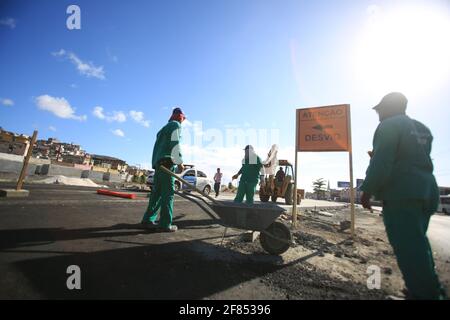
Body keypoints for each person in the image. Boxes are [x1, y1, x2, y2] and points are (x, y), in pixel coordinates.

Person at [360, 92, 445, 300]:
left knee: (410, 249)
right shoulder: (423, 129)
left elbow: (382, 161)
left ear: (390, 108)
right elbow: (414, 157)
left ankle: (425, 295)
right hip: (427, 191)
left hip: (403, 193)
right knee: (418, 245)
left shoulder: (388, 125)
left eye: (380, 110)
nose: (378, 114)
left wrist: (367, 190)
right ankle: (425, 289)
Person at [141, 108, 185, 232]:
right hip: (167, 164)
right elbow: (175, 143)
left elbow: (157, 148)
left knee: (157, 195)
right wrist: (179, 161)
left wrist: (155, 163)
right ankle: (165, 224)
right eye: (183, 119)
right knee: (168, 195)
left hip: (159, 165)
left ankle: (148, 220)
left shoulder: (163, 129)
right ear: (180, 117)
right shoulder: (175, 125)